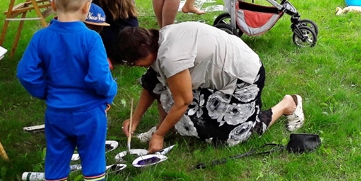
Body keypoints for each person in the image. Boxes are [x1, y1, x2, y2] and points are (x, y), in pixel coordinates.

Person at [16, 0, 117, 181]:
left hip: (57, 113)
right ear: (87, 8)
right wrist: (108, 94)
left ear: (52, 4)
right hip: (90, 112)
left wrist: (45, 92)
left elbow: (25, 73)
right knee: (93, 155)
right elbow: (100, 77)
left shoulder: (40, 38)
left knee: (56, 156)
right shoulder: (92, 39)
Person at [117, 23, 305, 153]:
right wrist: (135, 118)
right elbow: (152, 83)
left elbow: (183, 101)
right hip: (220, 74)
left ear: (144, 50)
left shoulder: (171, 58)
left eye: (134, 63)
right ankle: (168, 126)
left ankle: (287, 104)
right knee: (156, 83)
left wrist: (159, 135)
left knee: (232, 137)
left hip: (244, 77)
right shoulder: (159, 39)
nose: (135, 66)